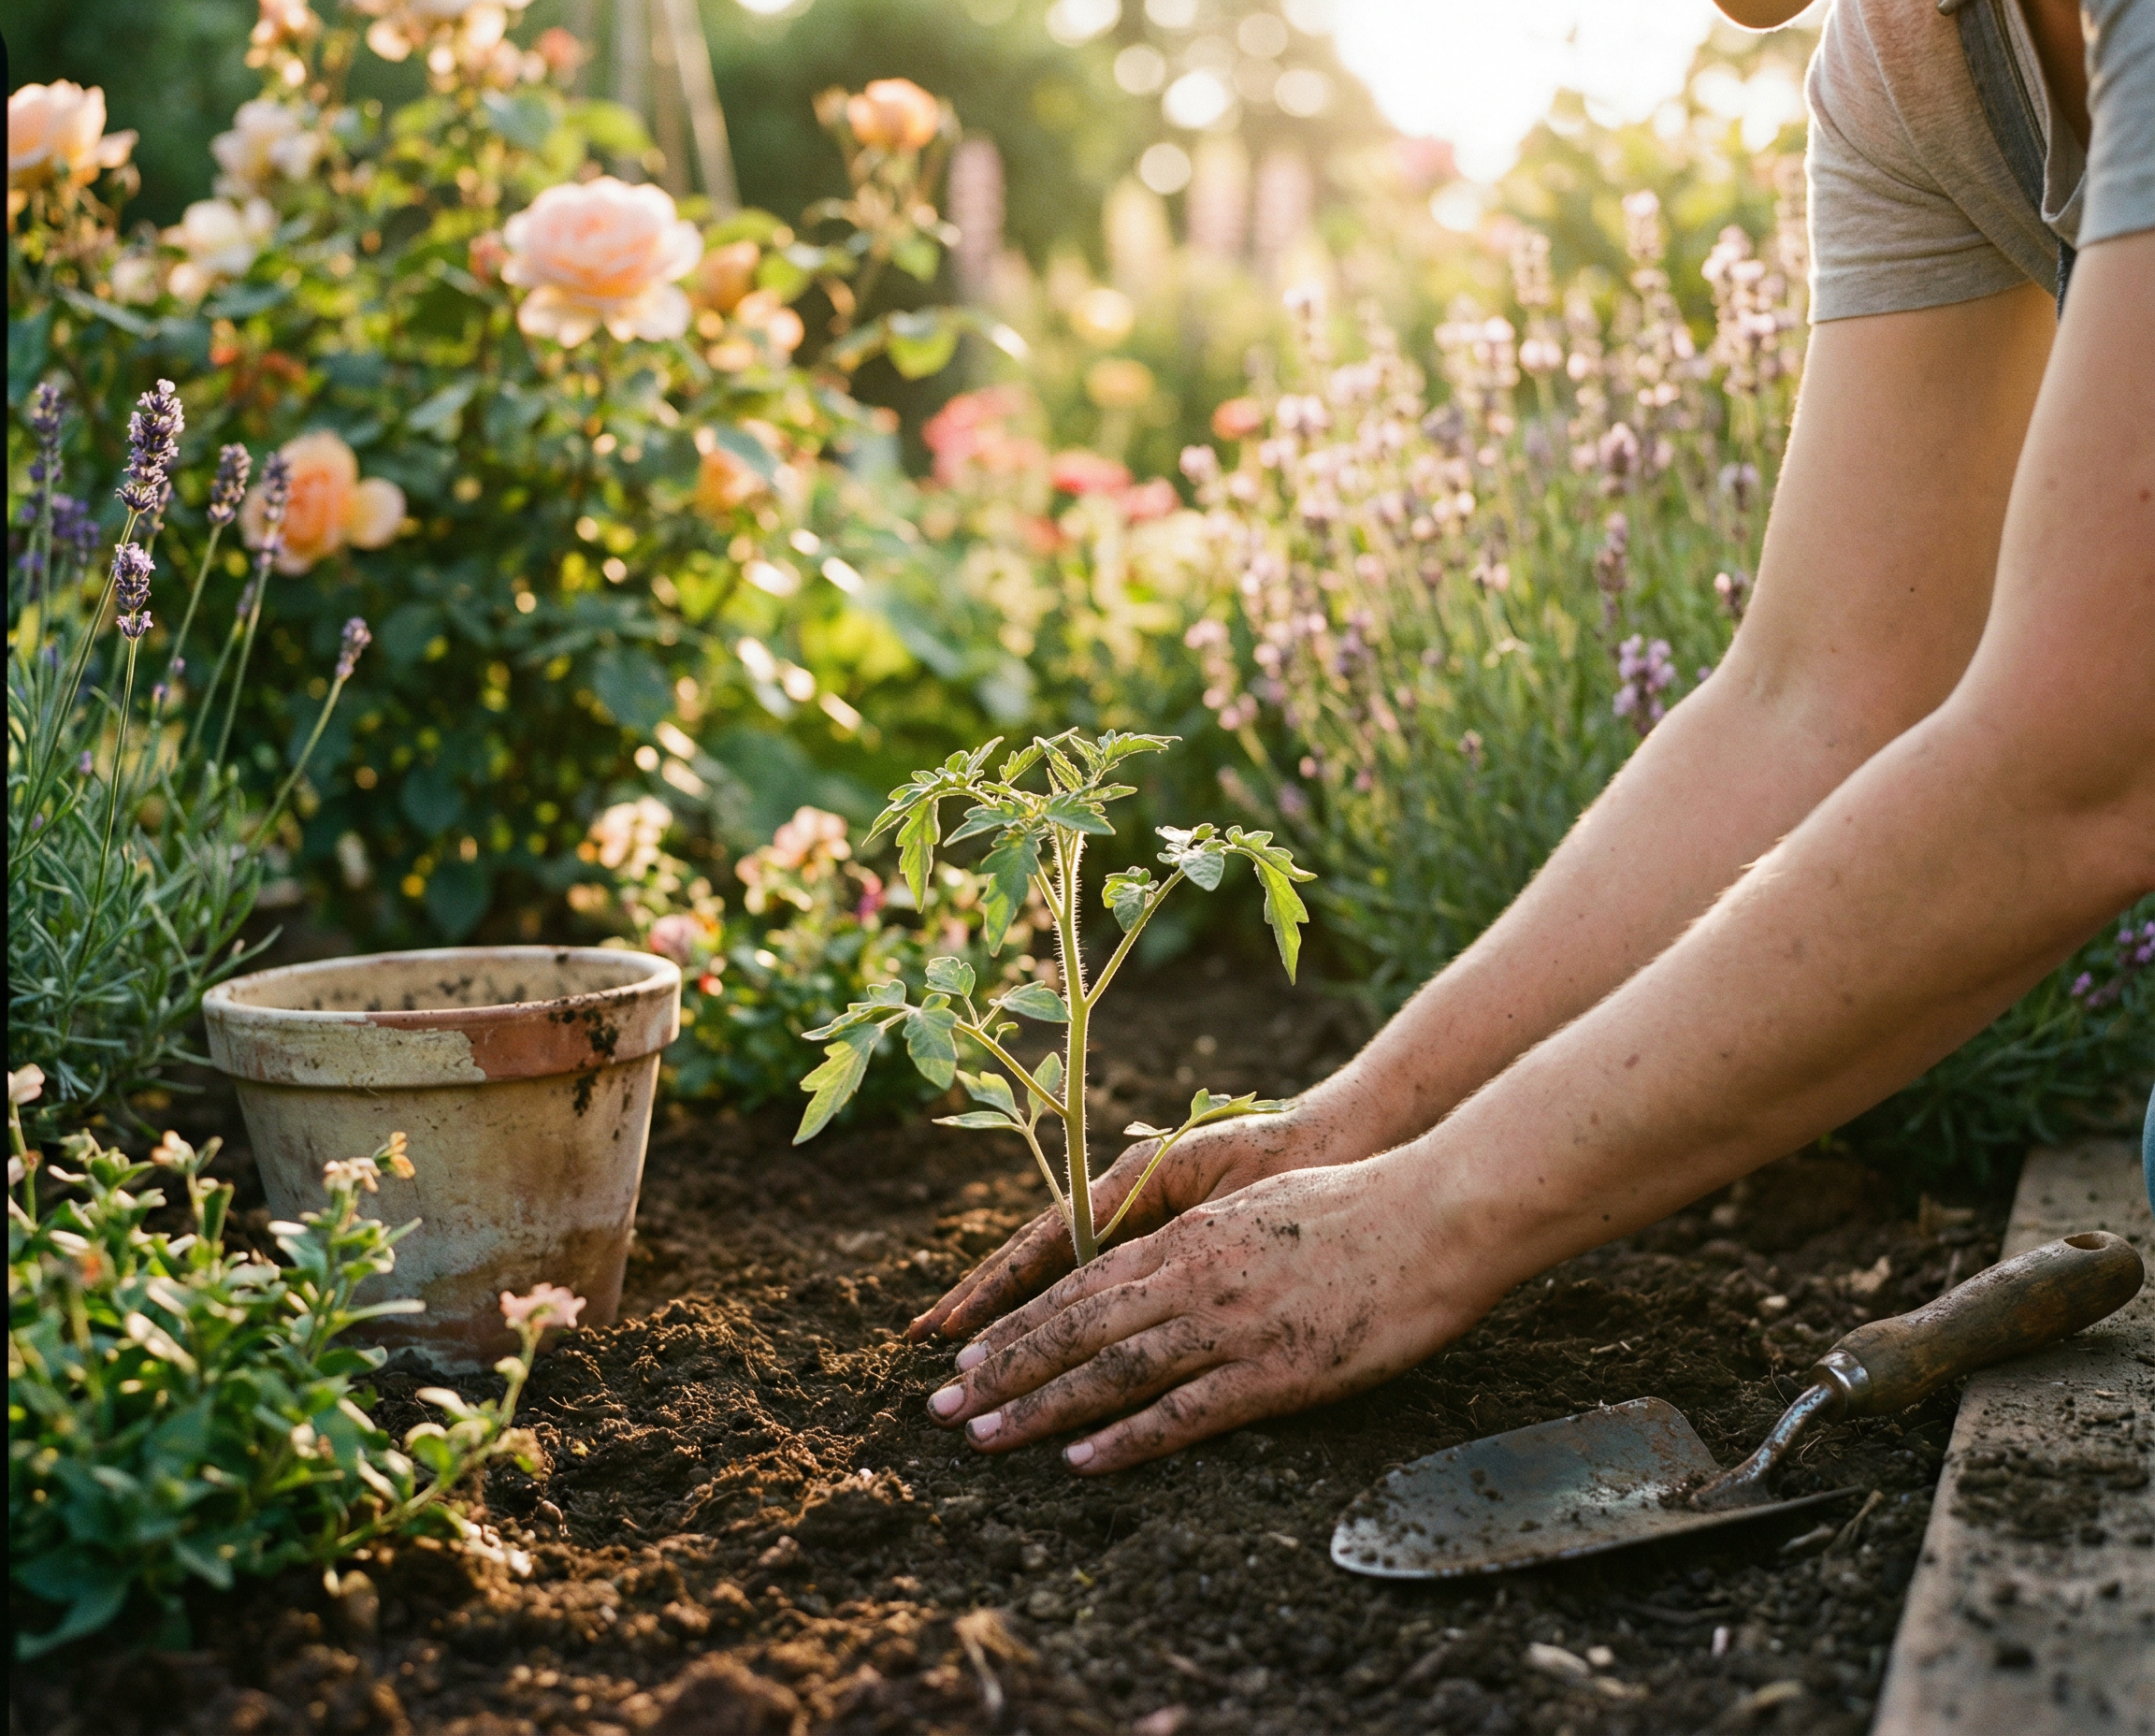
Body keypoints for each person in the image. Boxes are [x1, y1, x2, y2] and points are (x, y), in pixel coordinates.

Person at [913, 0, 2155, 1475]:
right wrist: (1361, 1123)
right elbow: (1821, 695)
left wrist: (1437, 1216)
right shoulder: (1911, 51)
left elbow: (2086, 756)